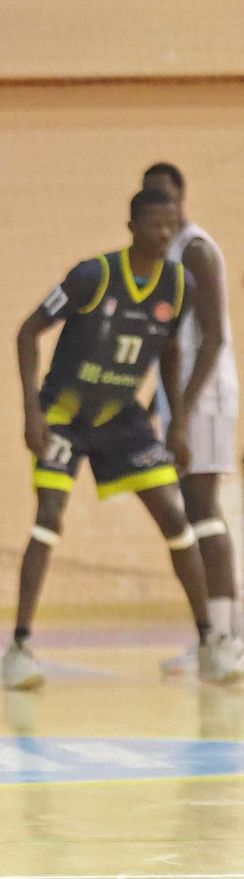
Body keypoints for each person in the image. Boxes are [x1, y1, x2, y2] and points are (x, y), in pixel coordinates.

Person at [4, 187, 243, 690]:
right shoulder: (94, 276)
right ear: (133, 225)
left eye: (172, 224)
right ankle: (20, 648)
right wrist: (31, 410)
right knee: (48, 517)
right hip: (65, 414)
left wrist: (177, 422)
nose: (165, 233)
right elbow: (28, 332)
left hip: (121, 418)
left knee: (177, 520)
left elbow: (172, 350)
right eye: (156, 224)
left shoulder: (180, 284)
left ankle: (209, 644)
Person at [141, 163, 244, 673]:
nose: (165, 206)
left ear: (182, 198)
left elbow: (214, 339)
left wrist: (181, 415)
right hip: (179, 402)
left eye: (169, 197)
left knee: (203, 506)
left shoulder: (197, 250)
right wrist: (153, 403)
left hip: (205, 398)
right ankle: (213, 634)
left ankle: (226, 637)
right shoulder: (165, 257)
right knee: (193, 507)